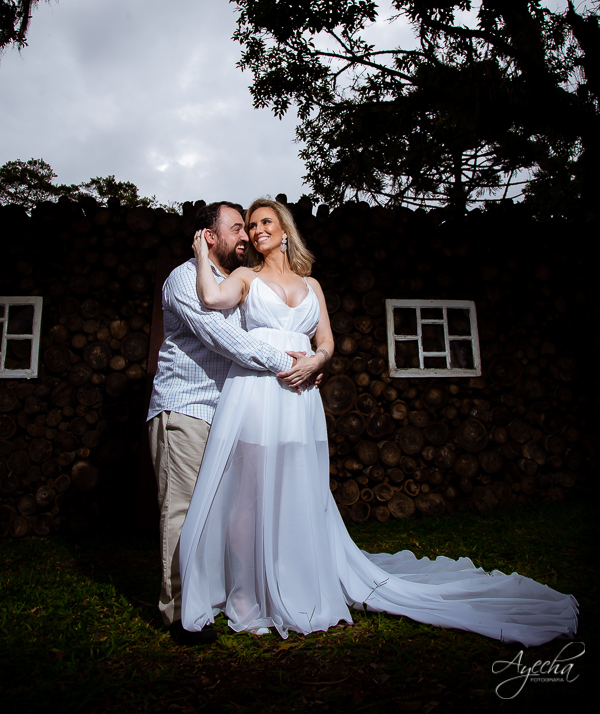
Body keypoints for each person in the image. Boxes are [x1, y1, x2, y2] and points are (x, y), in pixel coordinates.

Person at [179, 198, 578, 646]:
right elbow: (211, 299)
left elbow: (327, 341)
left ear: (285, 230)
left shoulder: (313, 286)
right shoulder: (245, 277)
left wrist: (317, 361)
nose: (257, 231)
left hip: (300, 398)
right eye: (251, 226)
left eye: (265, 222)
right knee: (248, 497)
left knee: (297, 490)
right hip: (256, 393)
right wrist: (199, 255)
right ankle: (247, 599)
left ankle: (296, 580)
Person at [147, 201, 309, 645]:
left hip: (227, 413)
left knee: (220, 511)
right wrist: (287, 363)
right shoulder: (185, 278)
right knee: (180, 510)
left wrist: (313, 357)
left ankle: (214, 597)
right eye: (237, 228)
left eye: (248, 227)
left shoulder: (236, 283)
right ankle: (179, 613)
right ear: (209, 236)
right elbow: (224, 338)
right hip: (185, 409)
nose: (245, 236)